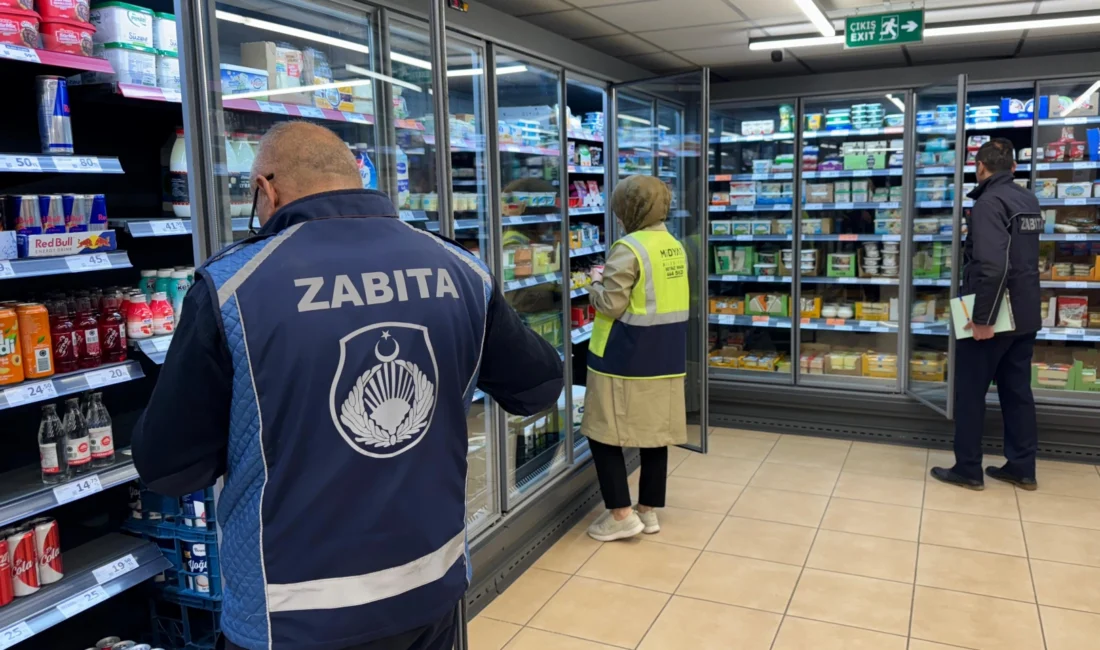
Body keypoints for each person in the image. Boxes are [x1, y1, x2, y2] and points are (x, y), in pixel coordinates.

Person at [132, 121, 563, 650]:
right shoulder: (459, 268)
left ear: (266, 190)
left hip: (293, 612)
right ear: (356, 177)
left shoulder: (232, 287)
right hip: (428, 589)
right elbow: (538, 386)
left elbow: (168, 467)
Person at [581, 175, 689, 542]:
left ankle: (620, 515)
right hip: (666, 355)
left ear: (631, 208)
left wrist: (594, 283)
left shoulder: (629, 247)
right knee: (655, 435)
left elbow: (611, 305)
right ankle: (648, 510)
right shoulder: (673, 245)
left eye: (620, 208)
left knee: (603, 433)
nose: (618, 215)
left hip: (623, 357)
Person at [930, 138, 1041, 491]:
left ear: (980, 167)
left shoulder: (988, 203)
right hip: (1025, 313)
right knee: (1017, 393)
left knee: (970, 392)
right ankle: (1022, 467)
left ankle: (968, 468)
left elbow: (993, 267)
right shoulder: (1028, 200)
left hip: (995, 316)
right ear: (1014, 168)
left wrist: (983, 319)